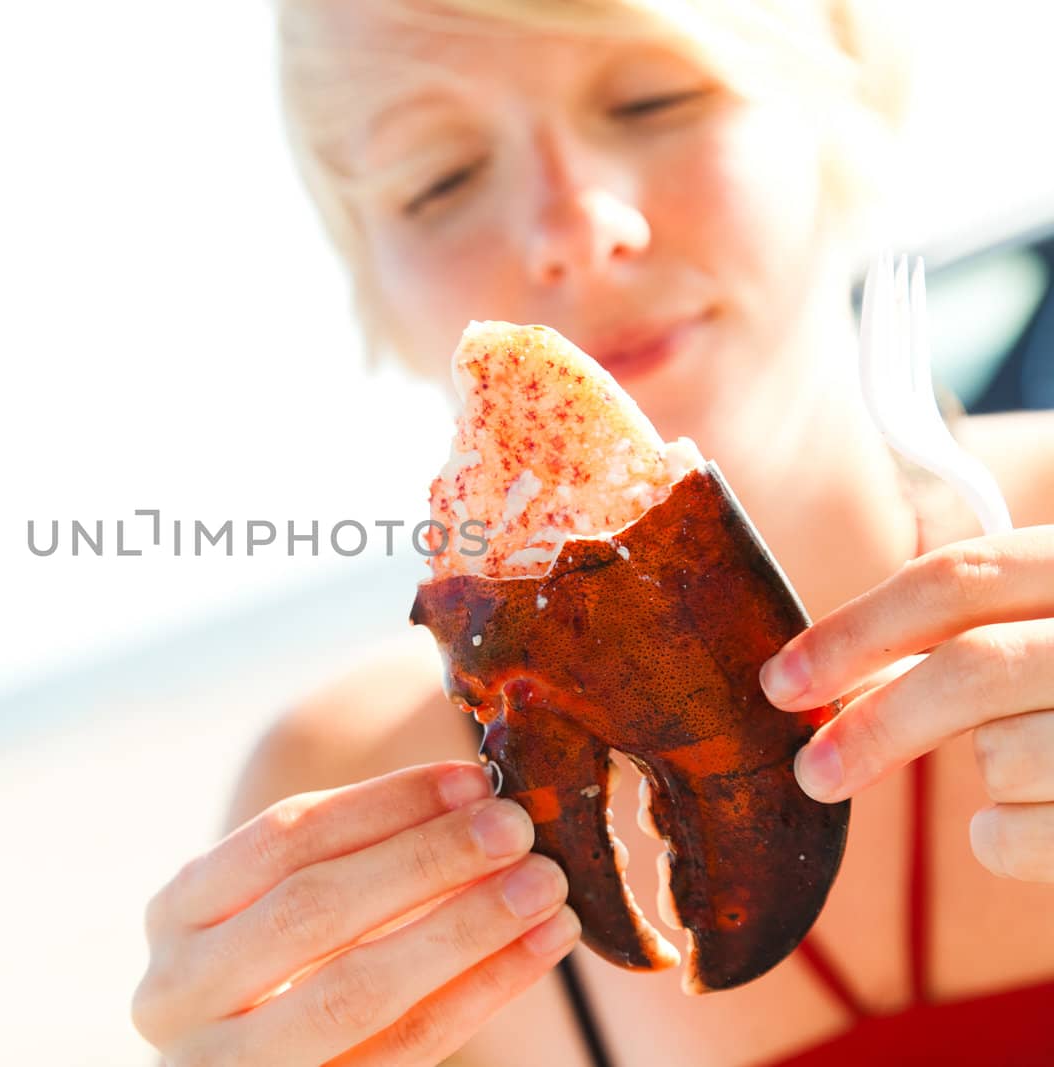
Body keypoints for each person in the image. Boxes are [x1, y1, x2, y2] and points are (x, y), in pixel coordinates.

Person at [132, 2, 1054, 1063]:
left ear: (844, 95)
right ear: (370, 285)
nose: (572, 227)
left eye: (653, 98)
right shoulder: (345, 802)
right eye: (436, 178)